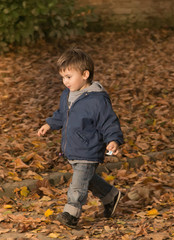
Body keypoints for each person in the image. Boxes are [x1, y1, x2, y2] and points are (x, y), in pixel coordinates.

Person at [37, 48, 124, 228]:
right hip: (73, 148)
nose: (65, 81)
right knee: (87, 178)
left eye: (69, 76)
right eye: (63, 77)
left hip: (89, 148)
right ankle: (111, 196)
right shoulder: (67, 94)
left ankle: (71, 213)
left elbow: (109, 122)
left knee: (78, 184)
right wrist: (50, 124)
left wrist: (113, 140)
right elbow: (62, 114)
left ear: (85, 74)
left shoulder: (97, 100)